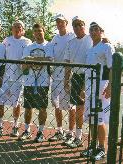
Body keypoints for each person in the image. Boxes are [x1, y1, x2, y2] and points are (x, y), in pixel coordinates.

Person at [80, 22, 114, 161]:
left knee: (100, 119)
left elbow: (112, 68)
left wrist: (110, 86)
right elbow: (87, 71)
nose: (93, 32)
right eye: (91, 30)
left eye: (96, 29)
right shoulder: (89, 49)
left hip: (101, 87)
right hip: (89, 87)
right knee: (91, 118)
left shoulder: (107, 46)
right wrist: (83, 88)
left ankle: (101, 148)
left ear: (101, 31)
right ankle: (92, 146)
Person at [0, 20, 32, 137]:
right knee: (0, 102)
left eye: (20, 27)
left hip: (19, 79)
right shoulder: (6, 41)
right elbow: (2, 58)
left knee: (16, 104)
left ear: (23, 30)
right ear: (12, 29)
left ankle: (15, 127)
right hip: (6, 77)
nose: (17, 29)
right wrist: (1, 77)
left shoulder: (27, 42)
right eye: (15, 27)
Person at [19, 23, 53, 143]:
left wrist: (31, 60)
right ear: (33, 33)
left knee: (42, 109)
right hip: (29, 82)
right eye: (36, 31)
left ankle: (40, 132)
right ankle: (27, 131)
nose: (38, 33)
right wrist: (37, 61)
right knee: (28, 108)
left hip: (43, 83)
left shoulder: (49, 45)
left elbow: (49, 60)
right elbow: (23, 66)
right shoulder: (28, 46)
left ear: (44, 31)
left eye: (40, 31)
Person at [63, 16, 93, 148]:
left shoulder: (91, 39)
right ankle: (77, 136)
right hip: (75, 77)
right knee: (74, 108)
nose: (77, 27)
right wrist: (66, 80)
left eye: (80, 24)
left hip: (88, 77)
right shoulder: (70, 43)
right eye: (75, 25)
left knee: (85, 110)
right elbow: (68, 63)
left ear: (84, 26)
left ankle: (84, 139)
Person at [47, 14, 75, 143]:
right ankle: (59, 131)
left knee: (71, 107)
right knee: (57, 106)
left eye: (61, 22)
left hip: (69, 77)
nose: (59, 24)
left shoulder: (72, 36)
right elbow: (49, 54)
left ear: (66, 23)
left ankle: (70, 133)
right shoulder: (54, 38)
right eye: (57, 22)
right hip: (56, 77)